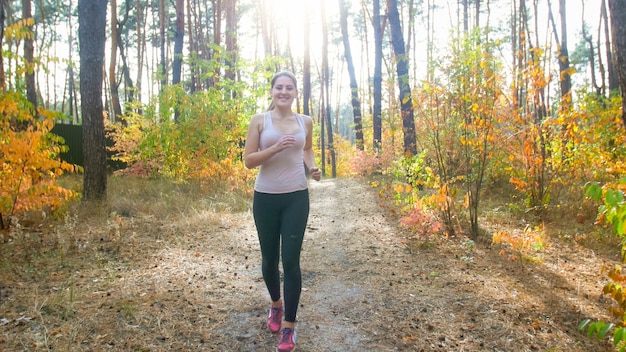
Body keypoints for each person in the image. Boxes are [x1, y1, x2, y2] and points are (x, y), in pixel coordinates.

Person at [244, 70, 321, 352]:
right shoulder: (260, 121)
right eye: (279, 87)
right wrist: (276, 147)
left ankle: (289, 326)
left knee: (291, 261)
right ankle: (275, 304)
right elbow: (248, 161)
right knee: (269, 260)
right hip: (265, 198)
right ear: (272, 91)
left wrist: (312, 167)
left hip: (296, 198)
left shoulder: (305, 122)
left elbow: (307, 149)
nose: (284, 92)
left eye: (289, 88)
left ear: (296, 92)